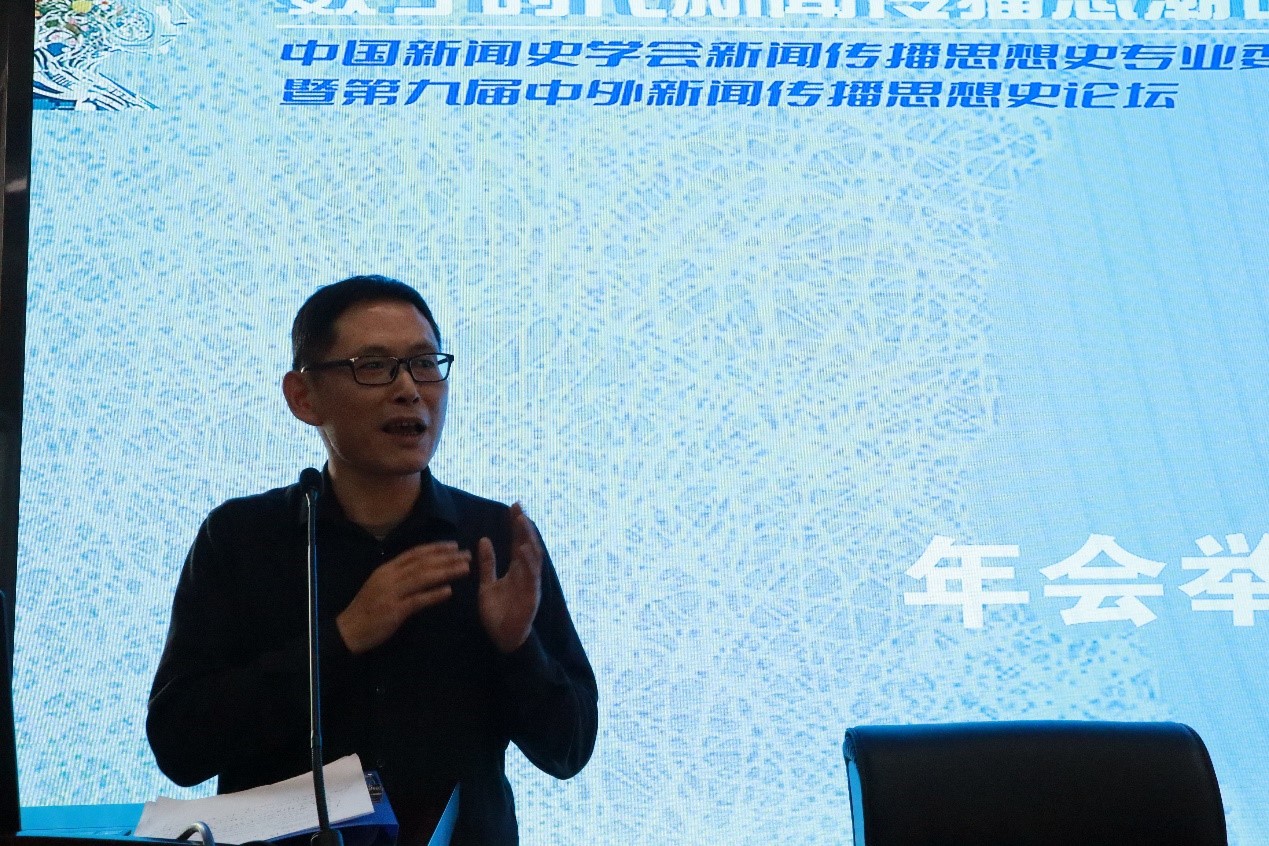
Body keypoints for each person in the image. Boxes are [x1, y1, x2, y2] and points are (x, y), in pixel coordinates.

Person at [147, 275, 598, 846]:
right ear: (303, 397)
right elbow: (181, 748)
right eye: (375, 366)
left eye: (424, 364)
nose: (409, 389)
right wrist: (344, 636)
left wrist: (517, 648)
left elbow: (569, 749)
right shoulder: (243, 538)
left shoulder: (493, 542)